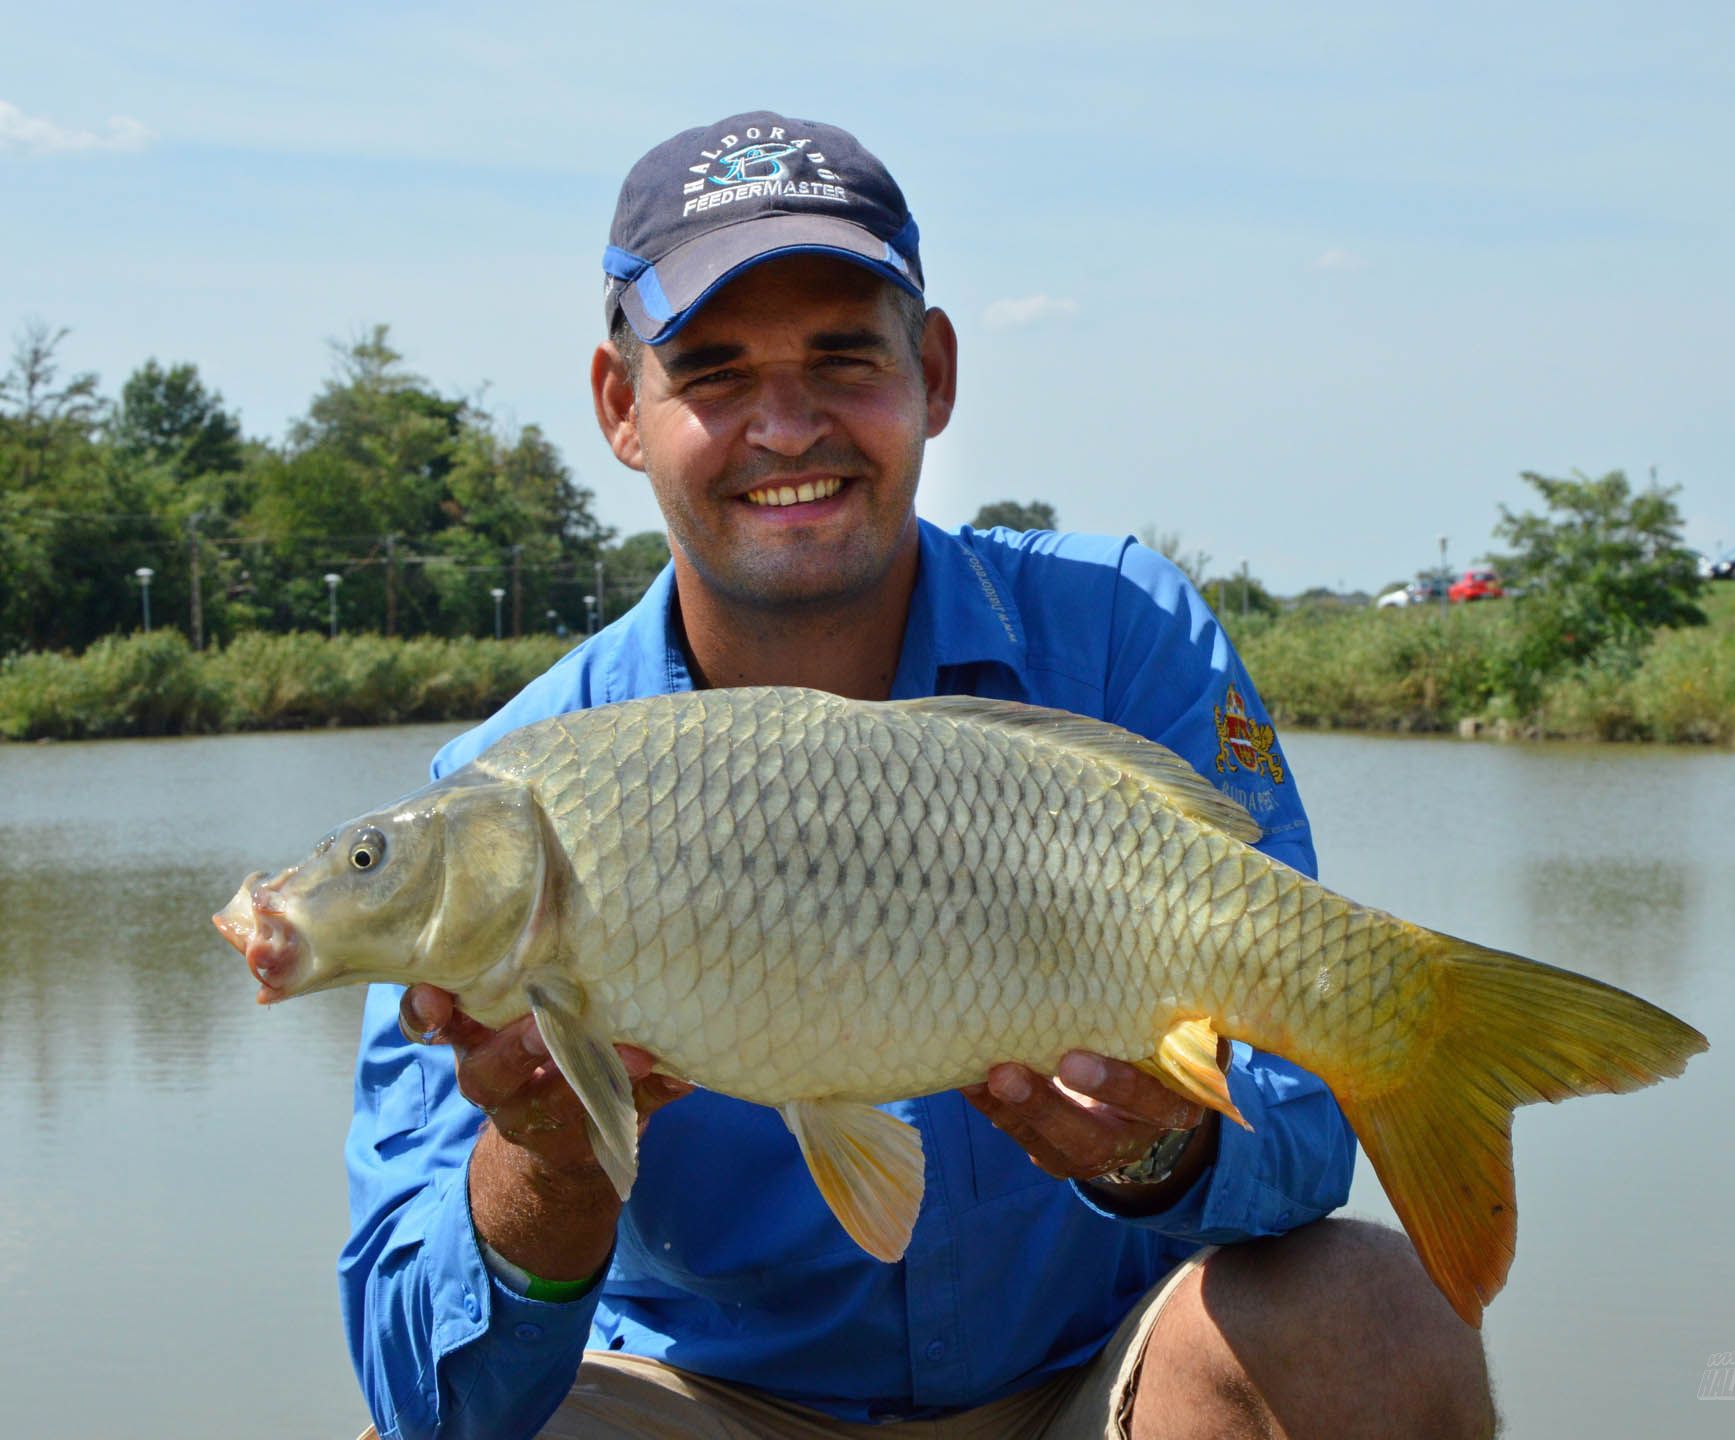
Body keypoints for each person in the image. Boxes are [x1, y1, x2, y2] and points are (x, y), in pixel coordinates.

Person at [341, 111, 1494, 1440]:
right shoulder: (502, 804)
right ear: (622, 407)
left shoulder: (1117, 634)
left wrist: (1159, 1149)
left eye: (843, 357)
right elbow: (421, 1390)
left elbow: (1303, 1138)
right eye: (713, 375)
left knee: (1371, 1319)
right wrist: (547, 1169)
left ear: (934, 374)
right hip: (707, 1400)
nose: (786, 426)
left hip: (1100, 1376)